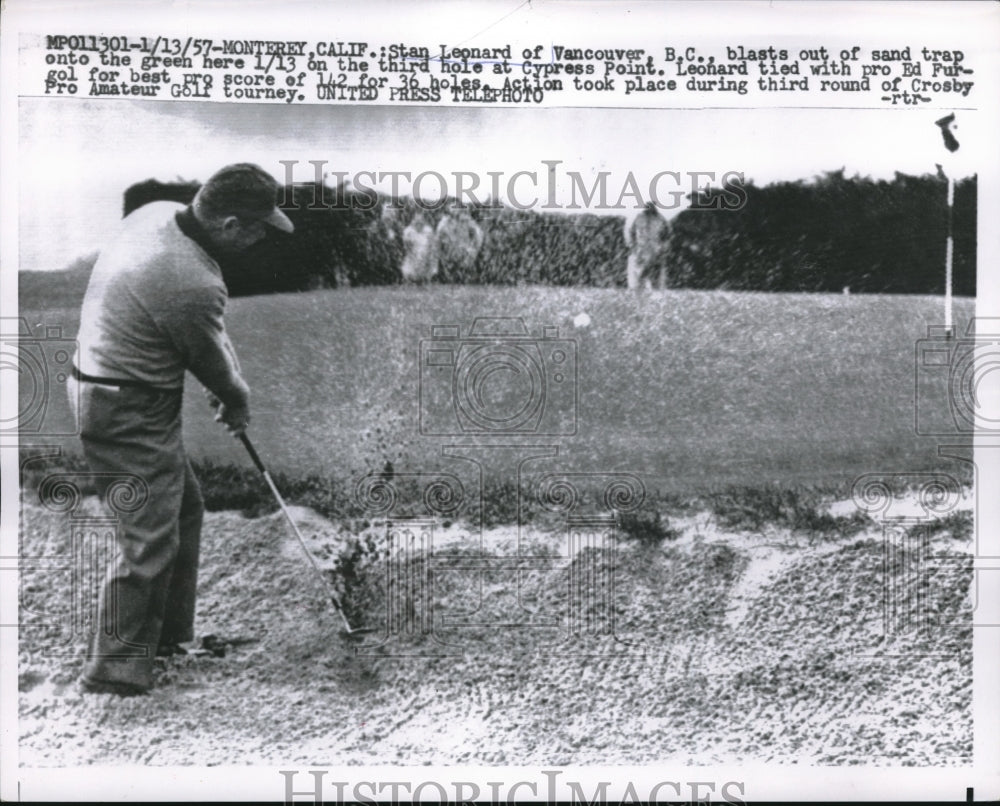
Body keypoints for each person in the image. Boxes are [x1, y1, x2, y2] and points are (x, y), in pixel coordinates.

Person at [69, 163, 294, 696]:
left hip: (112, 386)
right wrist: (235, 398)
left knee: (183, 507)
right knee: (149, 535)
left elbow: (209, 342)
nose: (264, 237)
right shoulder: (190, 279)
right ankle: (116, 671)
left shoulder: (160, 213)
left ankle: (166, 638)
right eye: (260, 227)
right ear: (231, 224)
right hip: (125, 406)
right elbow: (209, 359)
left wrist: (228, 383)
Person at [625, 201, 669, 290]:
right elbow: (629, 232)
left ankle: (656, 296)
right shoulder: (637, 217)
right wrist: (632, 246)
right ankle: (636, 295)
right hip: (640, 250)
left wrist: (663, 248)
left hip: (655, 251)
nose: (649, 207)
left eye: (652, 205)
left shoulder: (660, 219)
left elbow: (667, 235)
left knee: (656, 278)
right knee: (637, 277)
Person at [435, 203, 484, 283]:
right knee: (450, 279)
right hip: (449, 254)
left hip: (465, 254)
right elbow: (438, 238)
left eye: (457, 208)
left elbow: (478, 235)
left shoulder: (468, 222)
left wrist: (473, 250)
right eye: (453, 208)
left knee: (464, 277)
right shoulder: (444, 223)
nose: (456, 211)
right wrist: (442, 253)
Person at [400, 211, 437, 283]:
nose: (419, 222)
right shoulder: (408, 232)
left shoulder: (429, 231)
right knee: (410, 272)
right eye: (416, 220)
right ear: (413, 220)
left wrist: (427, 261)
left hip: (425, 258)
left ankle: (426, 277)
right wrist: (416, 262)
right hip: (413, 259)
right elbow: (408, 250)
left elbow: (431, 248)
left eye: (421, 220)